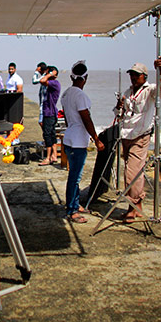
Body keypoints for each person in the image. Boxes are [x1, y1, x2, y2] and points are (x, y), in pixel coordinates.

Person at [116, 57, 161, 223]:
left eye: (136, 75)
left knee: (133, 172)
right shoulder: (127, 92)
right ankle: (135, 208)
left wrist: (160, 72)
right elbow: (118, 114)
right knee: (131, 172)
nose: (133, 78)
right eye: (131, 75)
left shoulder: (150, 90)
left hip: (141, 134)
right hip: (127, 134)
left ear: (144, 76)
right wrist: (119, 106)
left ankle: (135, 207)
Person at [60, 60, 105, 223]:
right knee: (75, 177)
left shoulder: (65, 94)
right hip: (78, 142)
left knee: (74, 175)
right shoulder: (81, 95)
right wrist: (97, 139)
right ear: (85, 77)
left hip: (69, 138)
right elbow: (87, 119)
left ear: (72, 76)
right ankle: (72, 210)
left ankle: (76, 203)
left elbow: (66, 119)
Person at [38, 66, 60, 166]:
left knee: (47, 135)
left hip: (50, 113)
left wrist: (51, 74)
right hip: (49, 112)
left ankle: (48, 157)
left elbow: (42, 80)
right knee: (51, 134)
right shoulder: (51, 84)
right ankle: (54, 155)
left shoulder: (55, 83)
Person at [32, 62, 48, 128]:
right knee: (42, 121)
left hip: (45, 103)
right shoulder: (44, 76)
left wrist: (36, 72)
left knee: (41, 121)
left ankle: (47, 134)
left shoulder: (44, 76)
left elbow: (34, 81)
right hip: (43, 102)